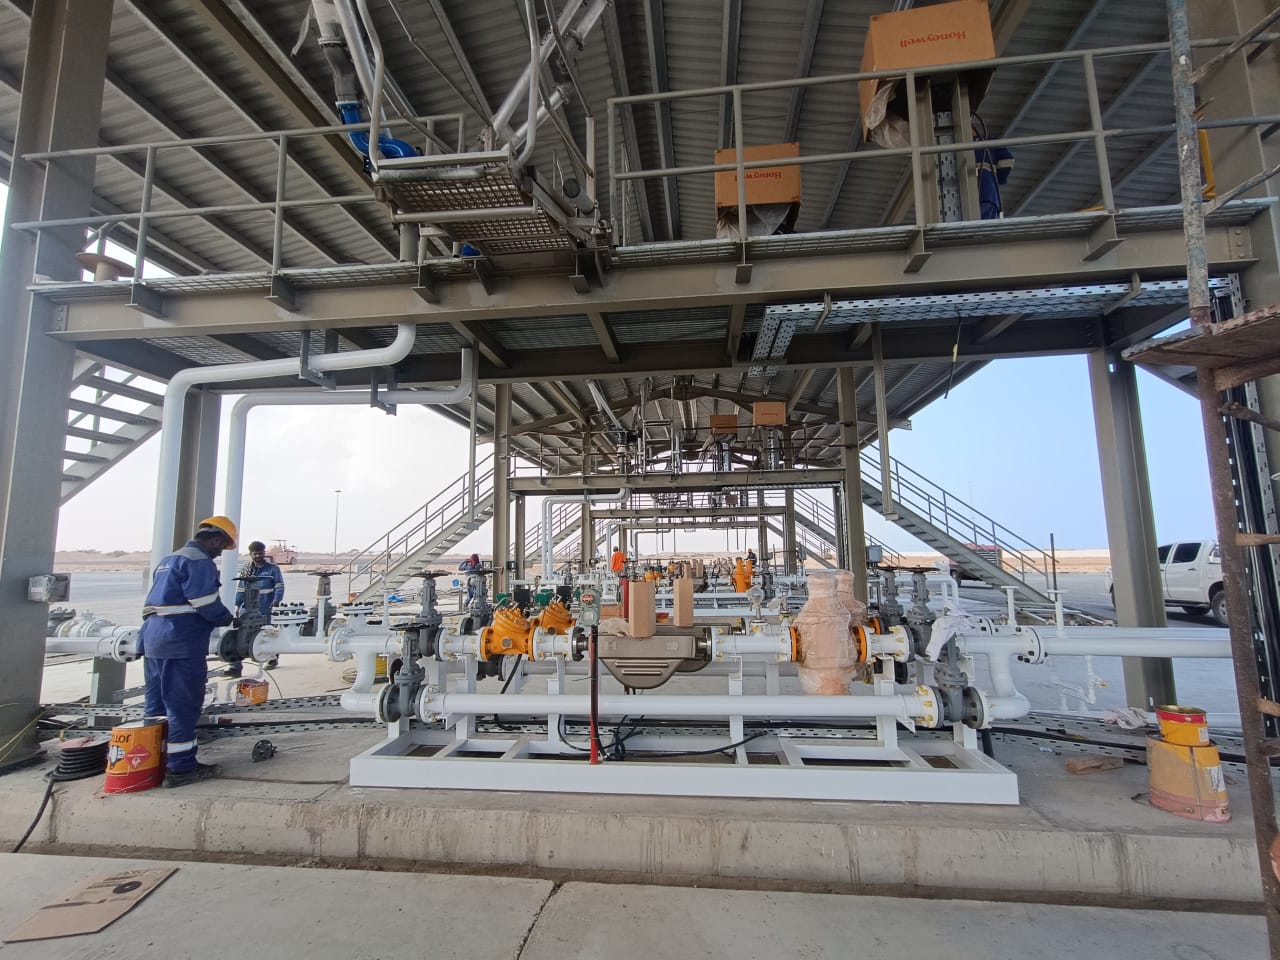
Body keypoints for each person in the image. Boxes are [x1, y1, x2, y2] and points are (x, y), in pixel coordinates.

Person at [138, 516, 237, 788]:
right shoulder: (199, 561)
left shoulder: (169, 560)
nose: (220, 553)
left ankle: (150, 763)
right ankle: (181, 768)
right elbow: (204, 601)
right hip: (179, 641)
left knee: (156, 705)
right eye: (222, 547)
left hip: (153, 638)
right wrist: (226, 619)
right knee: (182, 705)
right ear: (214, 540)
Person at [225, 540, 285, 677]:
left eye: (261, 553)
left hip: (266, 606)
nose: (258, 556)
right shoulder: (247, 569)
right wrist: (237, 605)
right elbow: (241, 588)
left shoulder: (273, 569)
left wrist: (277, 600)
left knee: (269, 632)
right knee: (240, 633)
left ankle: (273, 658)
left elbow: (279, 585)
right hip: (247, 607)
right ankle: (235, 666)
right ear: (251, 554)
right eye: (255, 554)